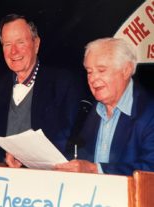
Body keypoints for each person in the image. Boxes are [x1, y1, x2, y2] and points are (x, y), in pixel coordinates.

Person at [0, 13, 86, 187]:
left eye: (20, 42)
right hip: (3, 190)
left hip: (51, 190)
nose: (13, 51)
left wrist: (26, 158)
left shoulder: (63, 83)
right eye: (7, 44)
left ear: (36, 44)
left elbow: (71, 144)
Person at [54, 37, 154, 175]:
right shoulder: (86, 109)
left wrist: (96, 169)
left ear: (126, 70)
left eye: (101, 70)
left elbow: (150, 168)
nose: (93, 79)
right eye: (89, 71)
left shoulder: (149, 112)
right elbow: (64, 149)